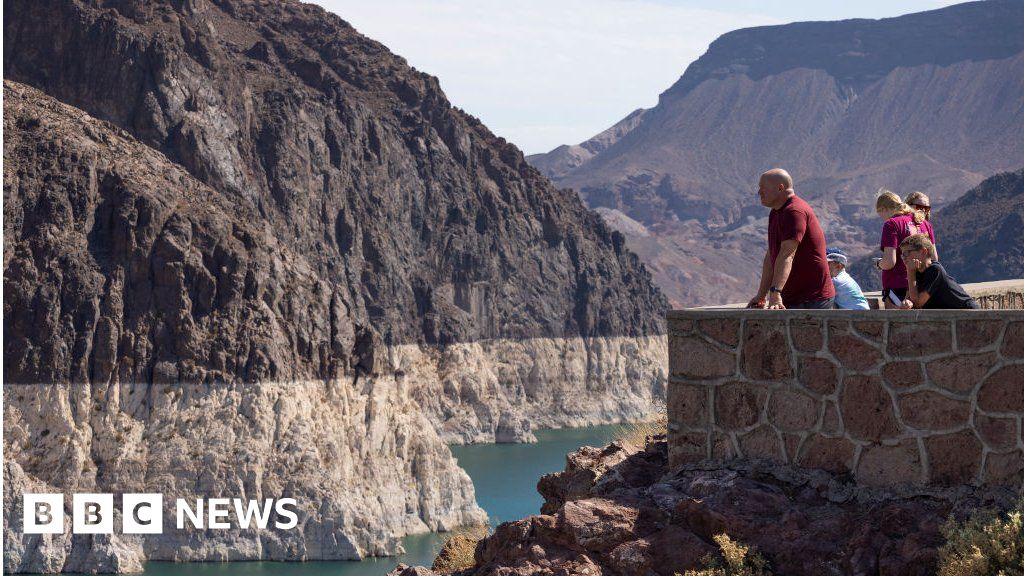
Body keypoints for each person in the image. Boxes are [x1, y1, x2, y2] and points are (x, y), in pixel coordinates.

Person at [747, 168, 835, 309]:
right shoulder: (776, 213)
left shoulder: (794, 211)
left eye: (763, 188)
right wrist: (761, 295)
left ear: (780, 188)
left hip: (810, 300)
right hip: (793, 298)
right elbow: (771, 256)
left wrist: (775, 292)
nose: (759, 192)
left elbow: (787, 254)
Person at [875, 190, 936, 308]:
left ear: (884, 209)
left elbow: (889, 262)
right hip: (924, 286)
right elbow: (934, 258)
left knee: (897, 324)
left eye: (880, 214)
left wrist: (879, 263)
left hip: (898, 285)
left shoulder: (891, 224)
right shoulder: (924, 224)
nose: (882, 218)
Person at [899, 234, 978, 309]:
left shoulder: (935, 270)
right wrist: (907, 302)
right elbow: (910, 298)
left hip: (966, 312)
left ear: (923, 252)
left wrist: (910, 271)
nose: (903, 258)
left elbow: (918, 302)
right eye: (902, 255)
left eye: (906, 253)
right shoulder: (916, 271)